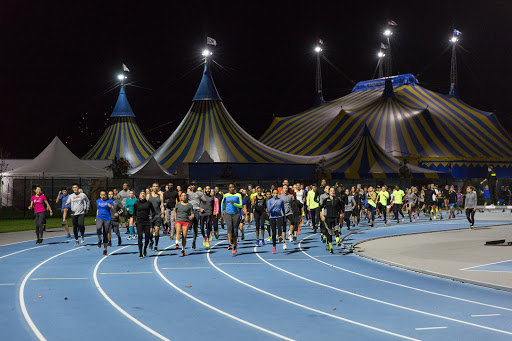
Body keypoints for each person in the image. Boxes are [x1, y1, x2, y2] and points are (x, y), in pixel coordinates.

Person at [221, 184, 244, 255]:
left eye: (232, 187)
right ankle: (230, 244)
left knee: (235, 229)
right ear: (228, 188)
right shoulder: (225, 195)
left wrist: (234, 203)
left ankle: (235, 245)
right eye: (230, 187)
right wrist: (222, 211)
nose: (231, 188)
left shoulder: (238, 195)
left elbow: (240, 205)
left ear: (235, 188)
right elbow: (222, 203)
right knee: (229, 228)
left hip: (236, 214)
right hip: (227, 213)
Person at [133, 190, 156, 258]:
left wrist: (151, 216)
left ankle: (145, 248)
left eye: (144, 194)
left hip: (147, 221)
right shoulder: (136, 204)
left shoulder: (148, 203)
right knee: (140, 236)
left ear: (145, 195)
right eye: (141, 194)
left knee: (147, 237)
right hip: (139, 221)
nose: (143, 195)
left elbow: (154, 211)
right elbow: (134, 214)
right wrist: (134, 221)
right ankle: (140, 252)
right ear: (139, 196)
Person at [320, 187, 342, 254]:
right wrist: (322, 215)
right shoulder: (326, 200)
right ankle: (331, 248)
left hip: (335, 217)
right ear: (329, 192)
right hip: (328, 218)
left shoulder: (337, 200)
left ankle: (337, 241)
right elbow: (320, 208)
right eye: (331, 191)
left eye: (333, 191)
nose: (332, 192)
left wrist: (340, 215)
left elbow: (340, 208)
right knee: (329, 233)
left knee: (336, 230)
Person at [174, 192, 194, 256]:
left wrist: (191, 216)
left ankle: (183, 249)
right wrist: (175, 218)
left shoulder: (189, 205)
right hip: (178, 220)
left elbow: (192, 213)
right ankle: (177, 243)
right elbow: (175, 211)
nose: (183, 197)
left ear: (186, 197)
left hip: (185, 221)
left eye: (185, 195)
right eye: (182, 196)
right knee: (178, 231)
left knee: (184, 236)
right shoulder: (178, 204)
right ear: (180, 197)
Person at [187, 181, 205, 250]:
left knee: (195, 227)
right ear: (190, 186)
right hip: (190, 210)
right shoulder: (188, 194)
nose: (193, 186)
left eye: (194, 185)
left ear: (196, 186)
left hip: (197, 210)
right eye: (192, 185)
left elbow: (204, 201)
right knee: (190, 223)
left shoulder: (200, 193)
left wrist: (201, 208)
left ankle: (194, 241)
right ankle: (189, 225)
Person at [95, 191, 114, 256]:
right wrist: (96, 216)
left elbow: (113, 209)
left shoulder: (110, 201)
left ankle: (105, 250)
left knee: (105, 233)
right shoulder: (98, 201)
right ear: (100, 195)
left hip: (107, 218)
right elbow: (97, 209)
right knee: (98, 228)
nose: (103, 196)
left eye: (104, 195)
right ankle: (99, 240)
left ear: (106, 195)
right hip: (99, 217)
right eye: (101, 195)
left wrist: (110, 207)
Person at [267, 189, 285, 254]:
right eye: (274, 193)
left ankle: (279, 236)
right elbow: (269, 209)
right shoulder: (270, 201)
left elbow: (283, 209)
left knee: (280, 227)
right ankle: (274, 246)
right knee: (273, 232)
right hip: (272, 217)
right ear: (272, 194)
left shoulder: (281, 200)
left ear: (278, 194)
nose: (275, 194)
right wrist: (273, 204)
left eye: (276, 193)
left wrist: (284, 215)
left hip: (279, 216)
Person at [148, 183, 165, 251]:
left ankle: (156, 245)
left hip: (157, 215)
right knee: (150, 231)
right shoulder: (148, 196)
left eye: (156, 186)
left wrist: (162, 213)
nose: (155, 188)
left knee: (157, 230)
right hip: (150, 216)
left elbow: (162, 206)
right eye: (154, 186)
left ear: (158, 188)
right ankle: (151, 241)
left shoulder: (160, 196)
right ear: (152, 187)